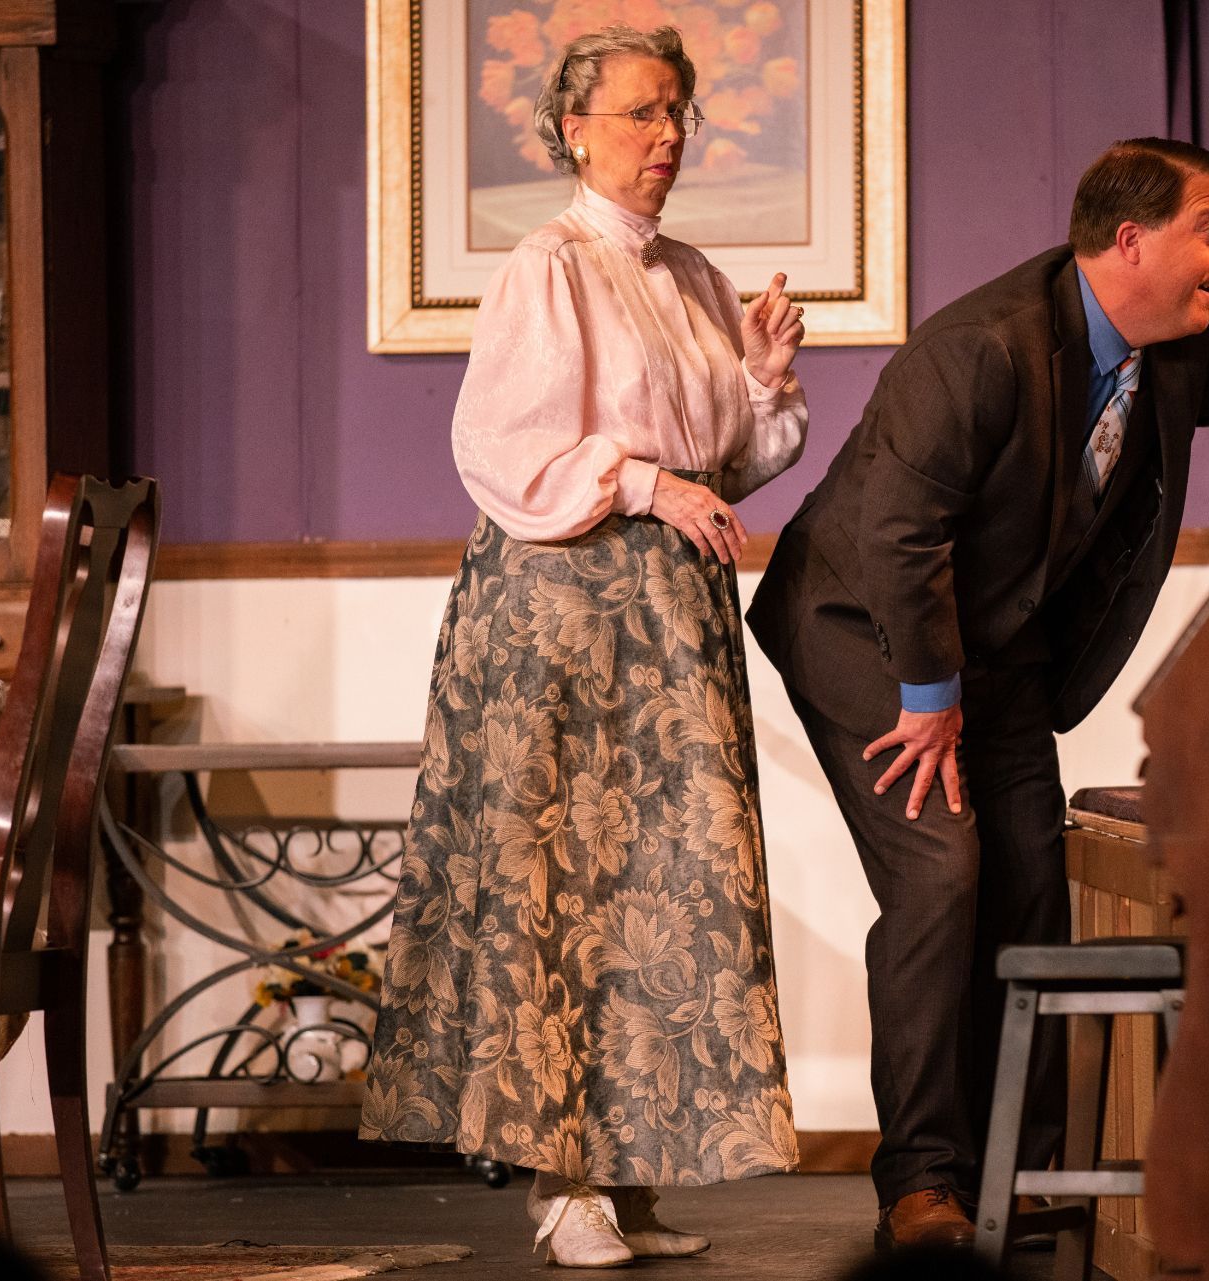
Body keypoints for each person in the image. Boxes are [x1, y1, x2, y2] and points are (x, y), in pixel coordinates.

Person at [747, 138, 1209, 1250]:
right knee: (942, 874)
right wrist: (929, 696)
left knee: (1032, 880)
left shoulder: (1161, 345)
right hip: (864, 629)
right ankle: (922, 1183)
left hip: (993, 650)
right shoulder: (979, 351)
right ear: (1132, 241)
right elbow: (901, 537)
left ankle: (1017, 1166)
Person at [360, 23, 809, 1269]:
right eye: (642, 114)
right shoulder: (547, 267)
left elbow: (727, 464)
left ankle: (629, 1174)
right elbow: (507, 448)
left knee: (662, 886)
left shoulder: (694, 277)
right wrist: (648, 485)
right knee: (557, 884)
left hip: (668, 617)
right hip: (563, 605)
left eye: (679, 113)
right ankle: (560, 1189)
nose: (668, 136)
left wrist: (762, 382)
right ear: (575, 131)